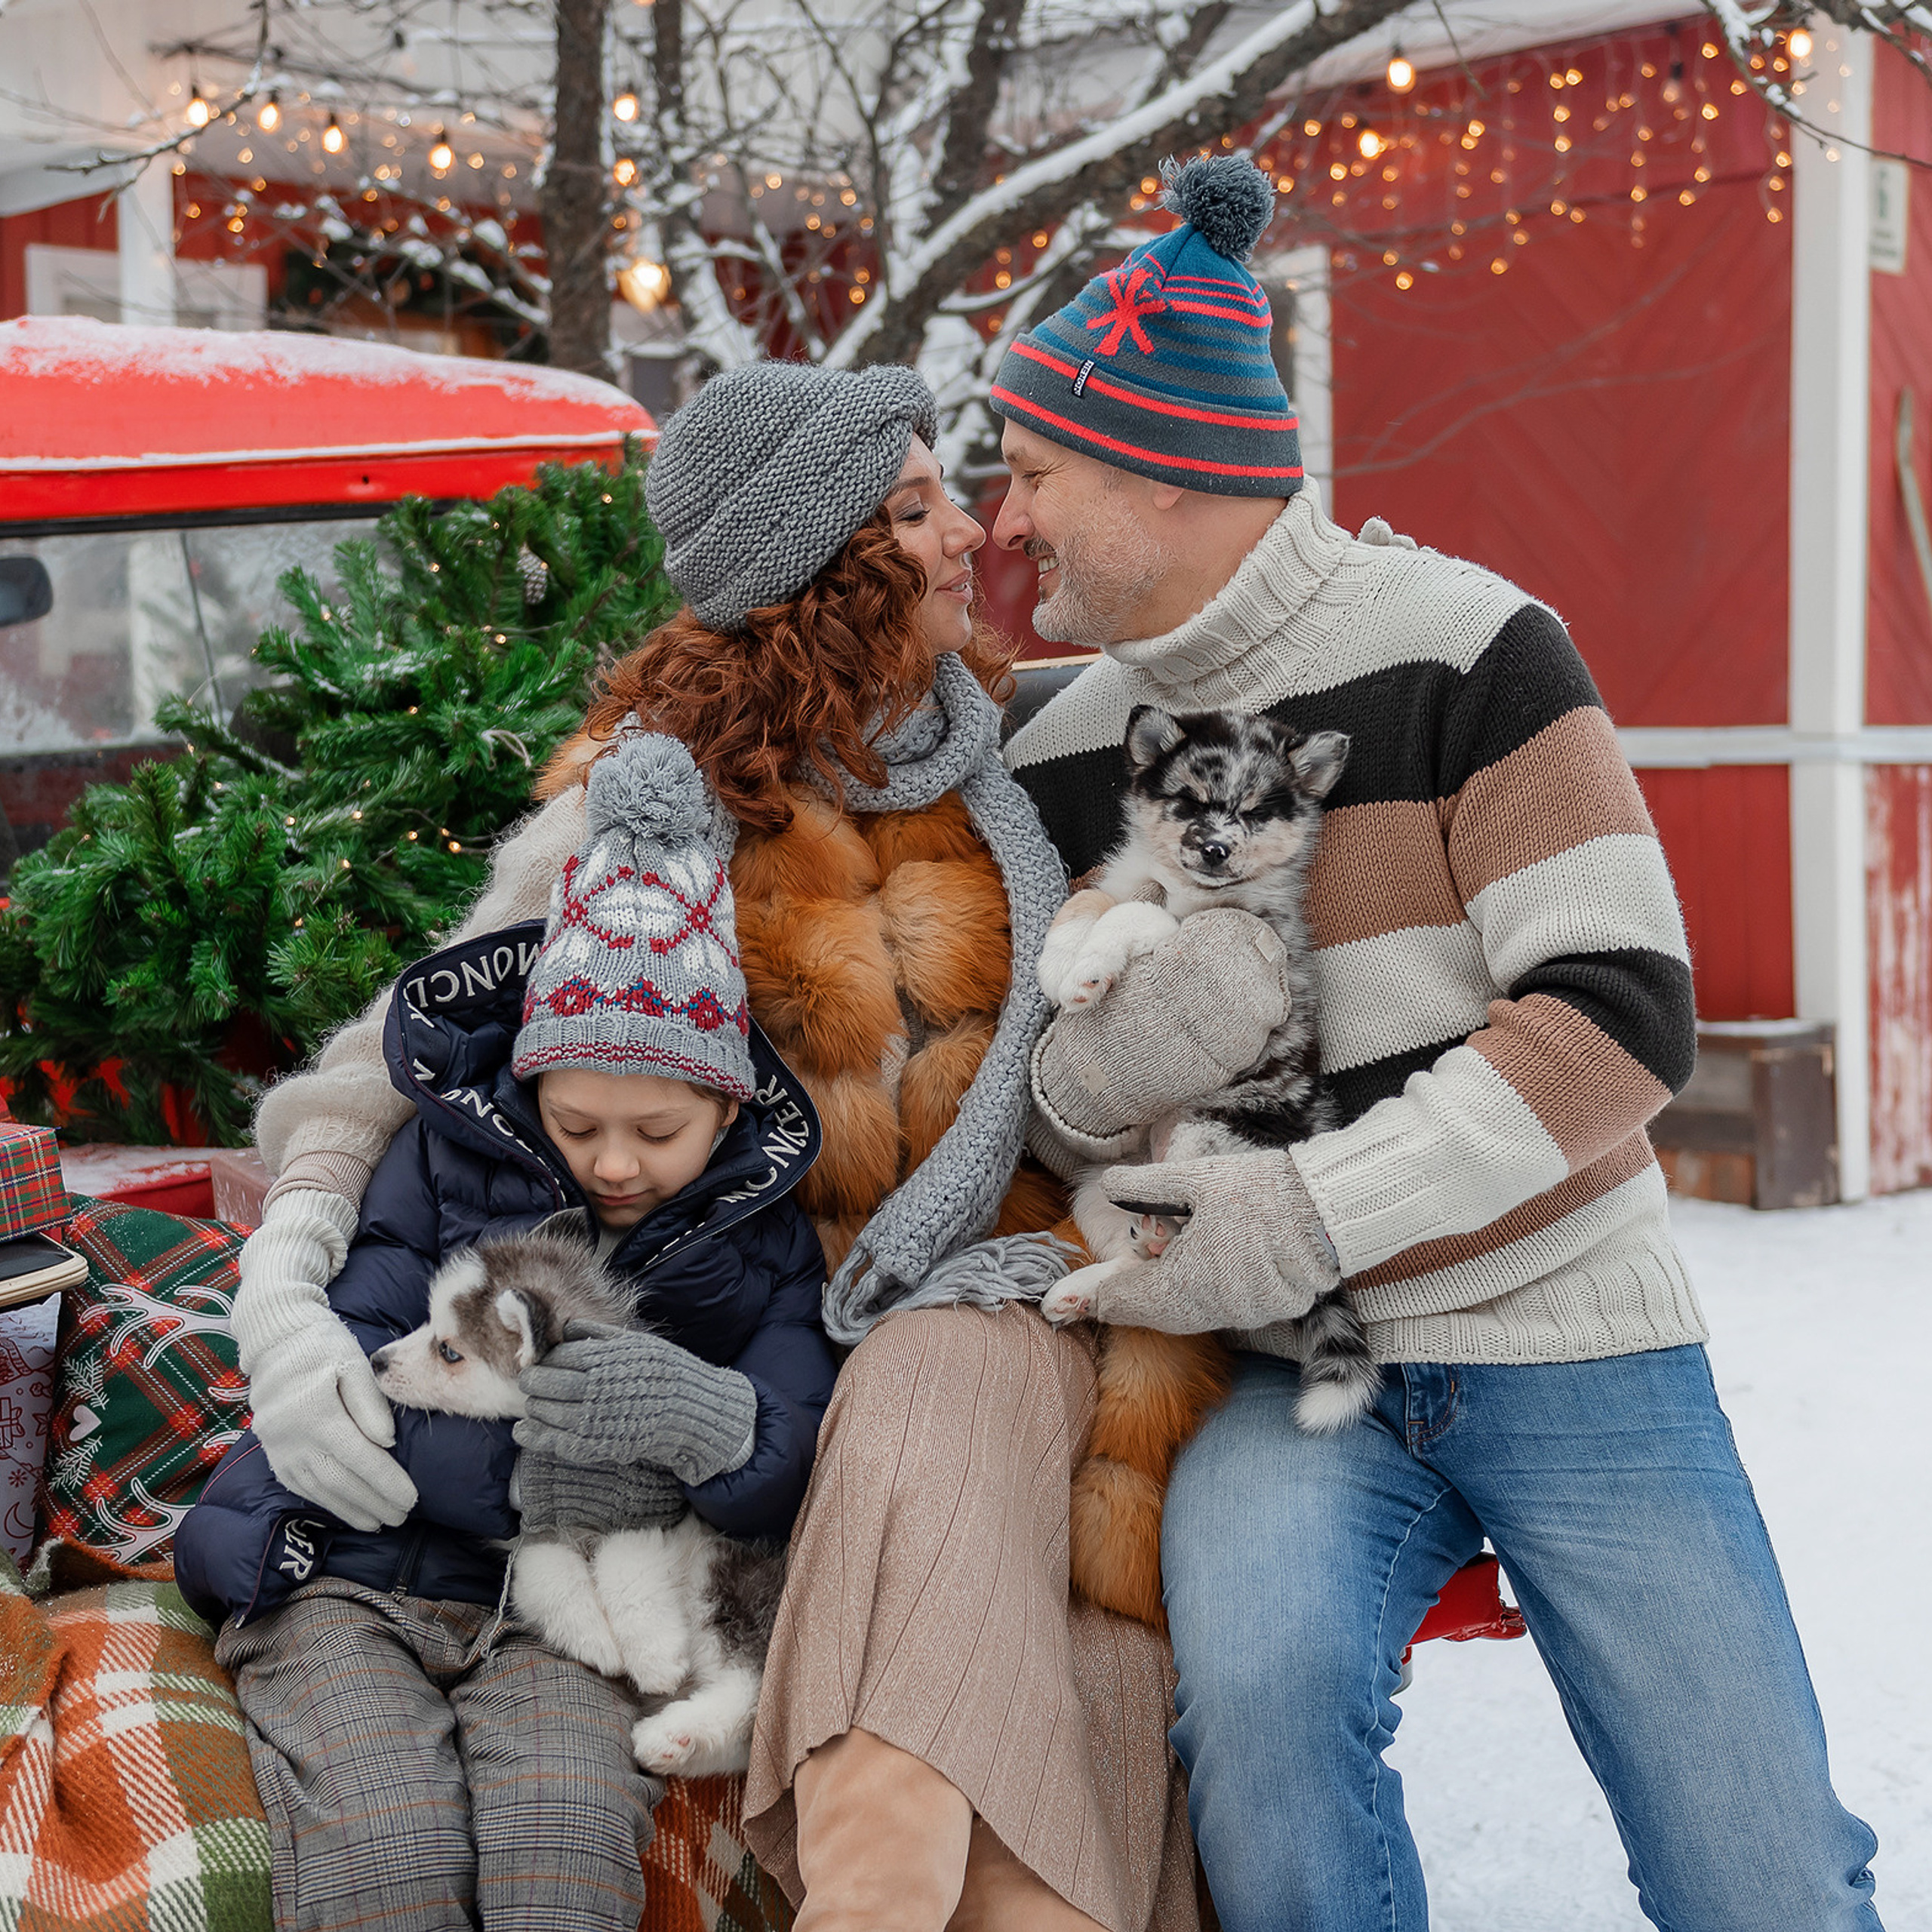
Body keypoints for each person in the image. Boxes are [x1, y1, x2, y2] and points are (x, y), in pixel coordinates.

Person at [993, 153, 1884, 1930]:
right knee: (1255, 1733)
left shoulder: (1470, 646)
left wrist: (1312, 1208)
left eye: (1029, 474)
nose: (1005, 521)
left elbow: (1615, 1013)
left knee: (1759, 1864)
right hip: (1281, 1377)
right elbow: (1037, 1094)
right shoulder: (1057, 749)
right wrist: (1090, 1085)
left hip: (1561, 1323)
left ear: (1155, 469)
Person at [226, 359, 1198, 1932]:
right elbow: (401, 1058)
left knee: (1097, 1628)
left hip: (991, 1303)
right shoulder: (648, 805)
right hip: (767, 1340)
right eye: (916, 510)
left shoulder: (1001, 764)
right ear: (822, 570)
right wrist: (285, 1283)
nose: (971, 533)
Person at [175, 728, 836, 1932]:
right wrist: (536, 1463)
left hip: (563, 1617)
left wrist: (719, 1424)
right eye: (578, 1126)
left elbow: (787, 1448)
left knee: (562, 1849)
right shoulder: (442, 1168)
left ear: (725, 1105)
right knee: (388, 1852)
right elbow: (360, 1350)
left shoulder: (764, 1240)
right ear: (533, 1090)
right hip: (348, 1579)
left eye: (657, 1132)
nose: (615, 1163)